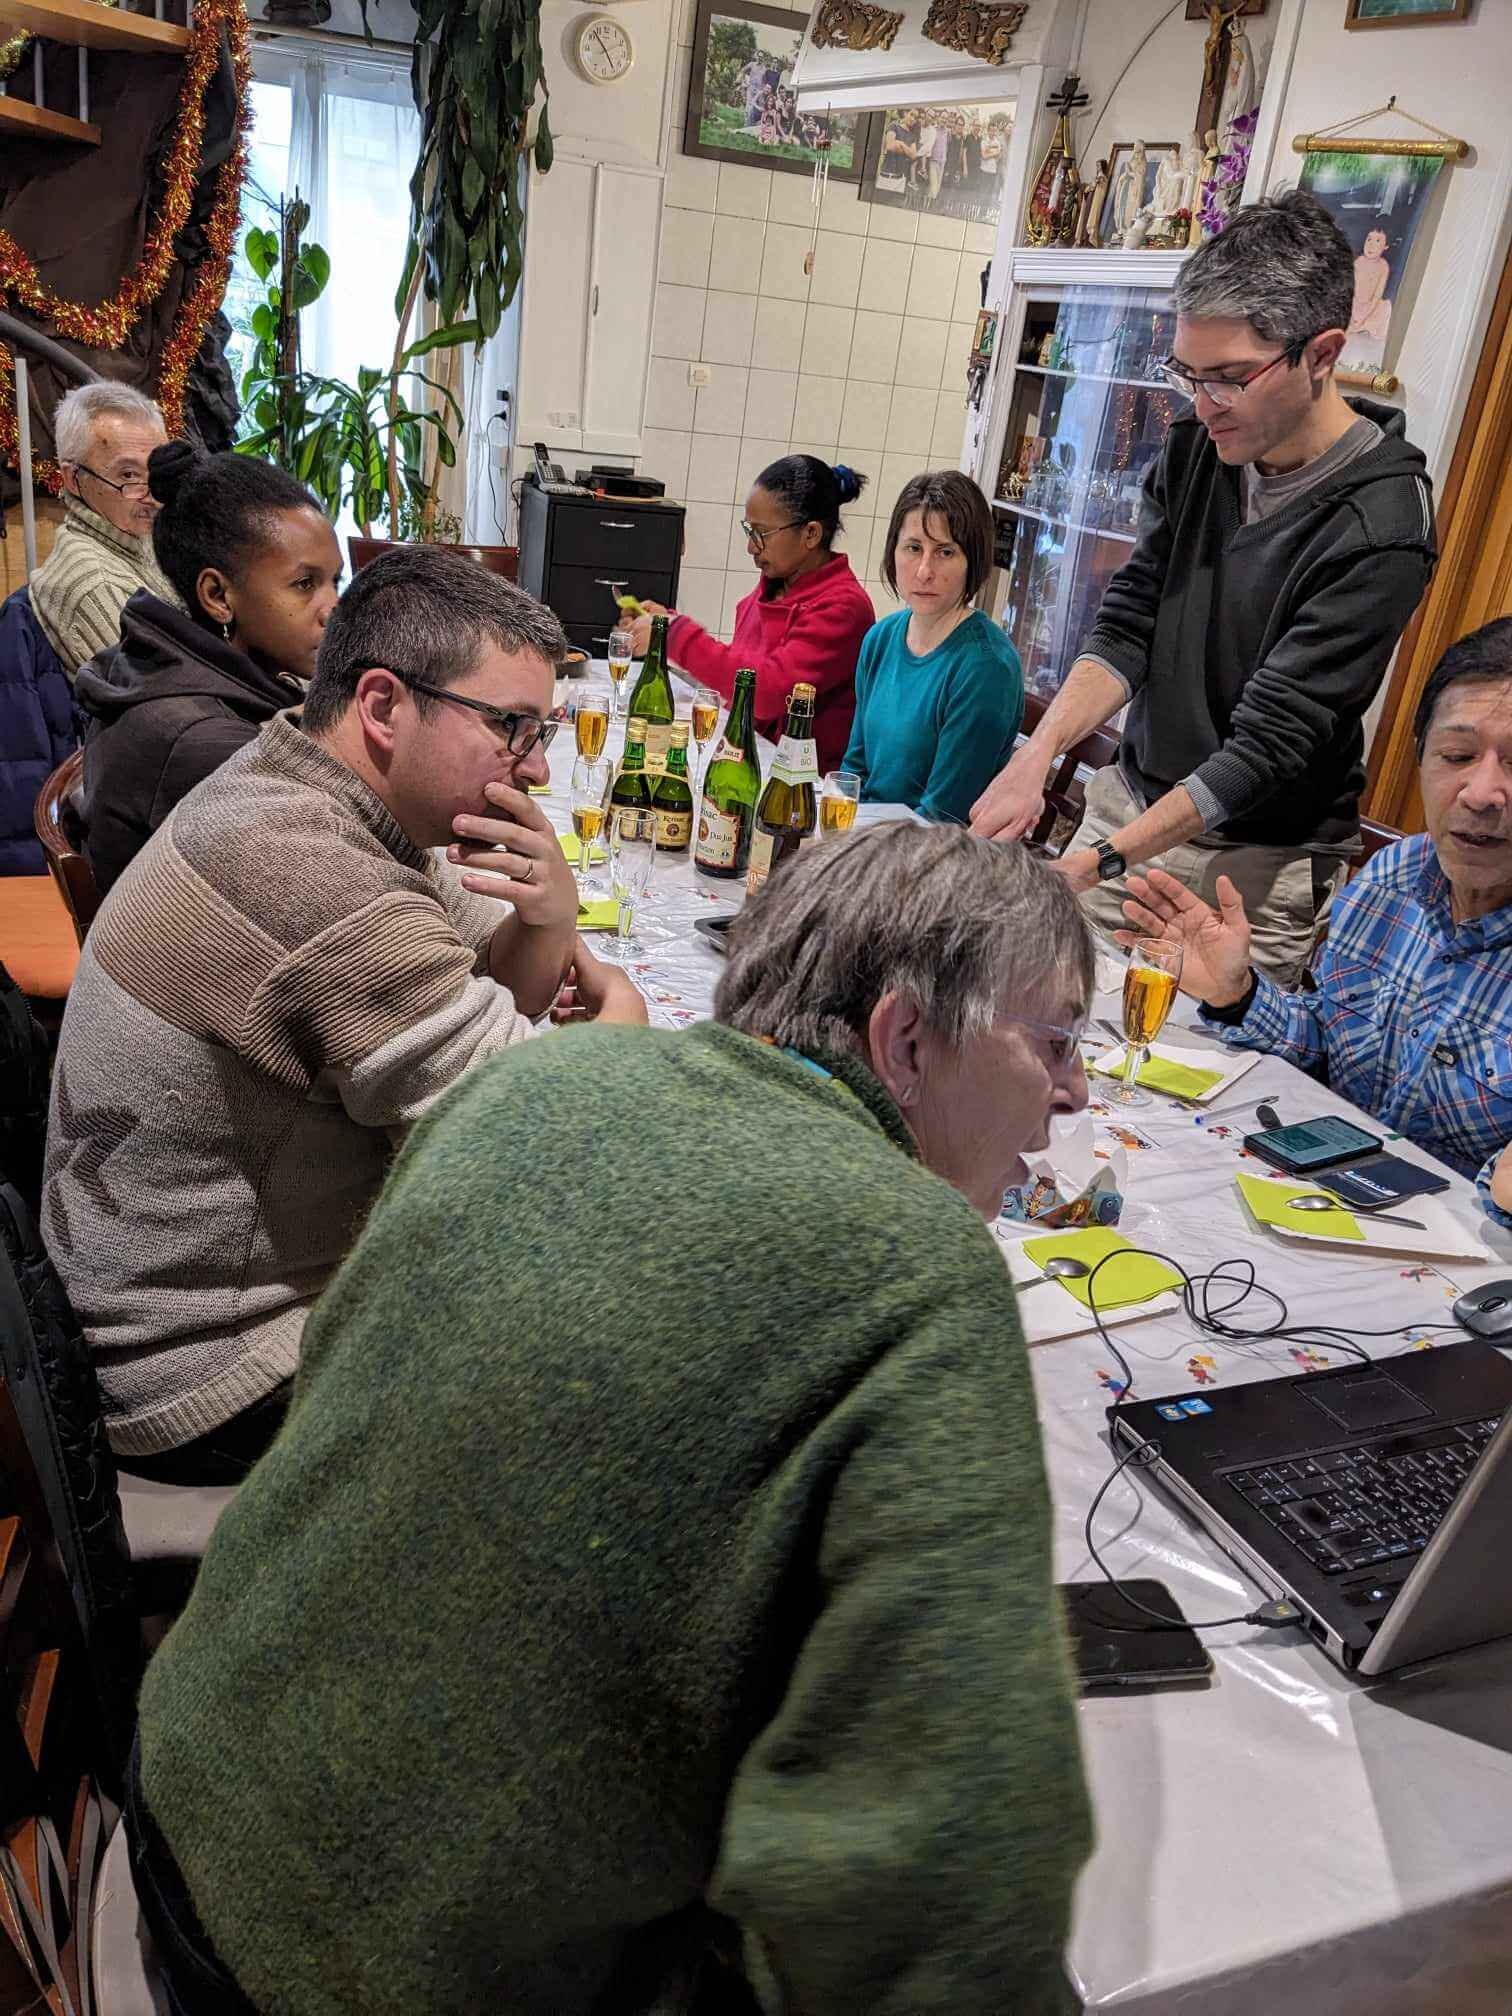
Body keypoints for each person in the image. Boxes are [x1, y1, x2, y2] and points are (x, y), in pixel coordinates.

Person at [127, 820, 1094, 2016]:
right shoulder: (917, 1272)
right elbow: (936, 1892)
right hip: (361, 1978)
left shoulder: (540, 1077)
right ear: (902, 1039)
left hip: (176, 1808)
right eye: (1053, 1041)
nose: (1074, 1093)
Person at [43, 546, 647, 1484]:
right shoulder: (310, 874)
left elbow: (492, 982)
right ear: (381, 705)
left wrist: (552, 919)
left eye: (544, 731)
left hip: (166, 1304)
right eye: (513, 729)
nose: (532, 768)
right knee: (608, 1373)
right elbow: (545, 1129)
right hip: (214, 1372)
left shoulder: (309, 779)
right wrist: (629, 1023)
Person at [972, 189, 1436, 987]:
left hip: (1253, 873)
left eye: (1227, 378)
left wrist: (1098, 861)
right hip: (1130, 806)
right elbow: (1130, 620)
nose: (1200, 404)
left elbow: (1266, 748)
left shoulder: (1382, 524)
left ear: (1322, 354)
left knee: (1183, 1088)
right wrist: (1037, 753)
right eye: (1187, 372)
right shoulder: (1199, 446)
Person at [1115, 617, 1512, 1230]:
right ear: (1420, 760)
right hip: (1320, 1213)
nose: (1482, 792)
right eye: (1457, 756)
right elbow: (1326, 1048)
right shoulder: (1390, 882)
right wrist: (1238, 995)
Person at [75, 441, 343, 898]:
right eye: (305, 584)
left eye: (336, 581)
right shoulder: (205, 743)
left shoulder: (167, 667)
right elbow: (327, 883)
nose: (333, 609)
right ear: (218, 596)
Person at [629, 455, 873, 773]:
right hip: (750, 758)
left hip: (799, 788)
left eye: (761, 534)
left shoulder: (843, 607)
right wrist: (667, 621)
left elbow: (766, 693)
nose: (751, 547)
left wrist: (676, 634)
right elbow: (742, 667)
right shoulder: (778, 584)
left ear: (811, 534)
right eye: (749, 530)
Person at [842, 470, 1023, 824]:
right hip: (867, 841)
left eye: (945, 552)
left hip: (936, 861)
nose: (924, 570)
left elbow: (943, 818)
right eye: (913, 548)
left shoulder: (987, 668)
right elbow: (855, 771)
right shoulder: (880, 638)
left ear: (973, 560)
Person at [28, 383, 178, 678]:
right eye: (128, 475)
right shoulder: (94, 584)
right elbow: (167, 706)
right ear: (73, 479)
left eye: (158, 471)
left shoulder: (146, 541)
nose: (153, 495)